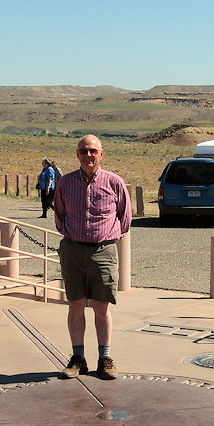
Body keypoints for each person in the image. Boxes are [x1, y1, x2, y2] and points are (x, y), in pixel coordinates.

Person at [53, 134, 132, 380]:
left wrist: (107, 236)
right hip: (73, 250)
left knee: (101, 306)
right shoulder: (65, 183)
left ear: (101, 154)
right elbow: (60, 215)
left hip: (103, 251)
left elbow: (125, 217)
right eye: (84, 151)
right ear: (77, 155)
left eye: (93, 151)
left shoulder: (115, 182)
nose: (89, 155)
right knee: (75, 305)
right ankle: (78, 359)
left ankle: (105, 359)